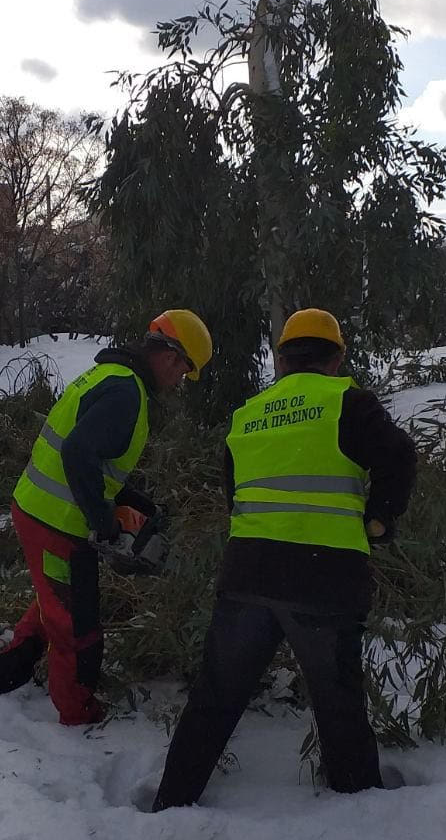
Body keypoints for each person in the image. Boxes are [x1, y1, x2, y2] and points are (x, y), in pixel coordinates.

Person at [150, 308, 417, 809]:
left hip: (247, 573)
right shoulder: (347, 402)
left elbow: (236, 496)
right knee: (338, 702)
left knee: (214, 698)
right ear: (336, 357)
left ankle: (171, 801)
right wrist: (379, 520)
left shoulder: (248, 415)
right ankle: (359, 811)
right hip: (324, 578)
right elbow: (399, 458)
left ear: (283, 359)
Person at [0, 309, 213, 726]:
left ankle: (8, 670)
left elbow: (94, 459)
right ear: (171, 358)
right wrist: (103, 521)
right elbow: (78, 454)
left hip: (37, 508)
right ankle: (77, 712)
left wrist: (133, 501)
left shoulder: (112, 377)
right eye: (185, 372)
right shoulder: (127, 394)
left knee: (54, 596)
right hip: (58, 522)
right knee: (76, 622)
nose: (180, 384)